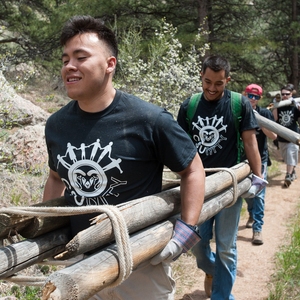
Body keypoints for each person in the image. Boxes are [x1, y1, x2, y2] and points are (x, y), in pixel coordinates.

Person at [42, 15, 206, 300]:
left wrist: (186, 233)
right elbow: (56, 177)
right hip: (79, 257)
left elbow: (192, 170)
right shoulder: (56, 125)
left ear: (110, 64)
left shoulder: (149, 119)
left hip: (139, 261)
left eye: (80, 57)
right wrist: (46, 231)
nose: (69, 66)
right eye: (65, 58)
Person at [177, 55, 266, 299]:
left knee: (226, 247)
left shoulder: (239, 104)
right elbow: (181, 146)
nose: (212, 89)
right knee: (195, 243)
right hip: (199, 186)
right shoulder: (190, 105)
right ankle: (212, 271)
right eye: (207, 82)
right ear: (201, 77)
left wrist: (258, 177)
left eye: (219, 83)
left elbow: (250, 142)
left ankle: (222, 295)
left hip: (230, 185)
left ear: (227, 80)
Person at [243, 84, 277, 245]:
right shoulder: (240, 111)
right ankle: (251, 212)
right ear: (245, 94)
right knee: (246, 194)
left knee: (259, 196)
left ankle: (257, 230)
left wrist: (261, 122)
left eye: (256, 97)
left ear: (260, 98)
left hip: (260, 159)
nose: (252, 99)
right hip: (242, 161)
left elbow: (274, 135)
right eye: (250, 95)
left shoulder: (264, 113)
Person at [272, 84, 300, 187]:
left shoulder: (294, 105)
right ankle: (292, 172)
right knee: (286, 156)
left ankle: (288, 176)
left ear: (291, 94)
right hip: (282, 137)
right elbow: (274, 119)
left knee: (291, 155)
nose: (284, 96)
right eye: (282, 94)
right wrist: (275, 105)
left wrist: (297, 105)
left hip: (293, 136)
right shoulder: (279, 105)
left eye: (287, 94)